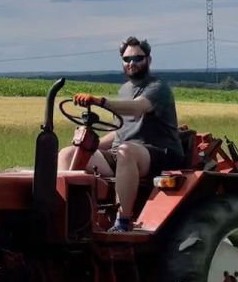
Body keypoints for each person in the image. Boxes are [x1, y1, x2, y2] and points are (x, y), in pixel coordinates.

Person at [57, 36, 184, 232]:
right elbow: (120, 131)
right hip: (125, 152)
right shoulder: (125, 89)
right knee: (68, 154)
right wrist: (89, 146)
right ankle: (71, 219)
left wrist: (101, 102)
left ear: (148, 60)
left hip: (159, 153)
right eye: (127, 59)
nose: (131, 63)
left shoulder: (157, 88)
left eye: (137, 58)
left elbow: (136, 108)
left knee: (126, 152)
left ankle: (123, 221)